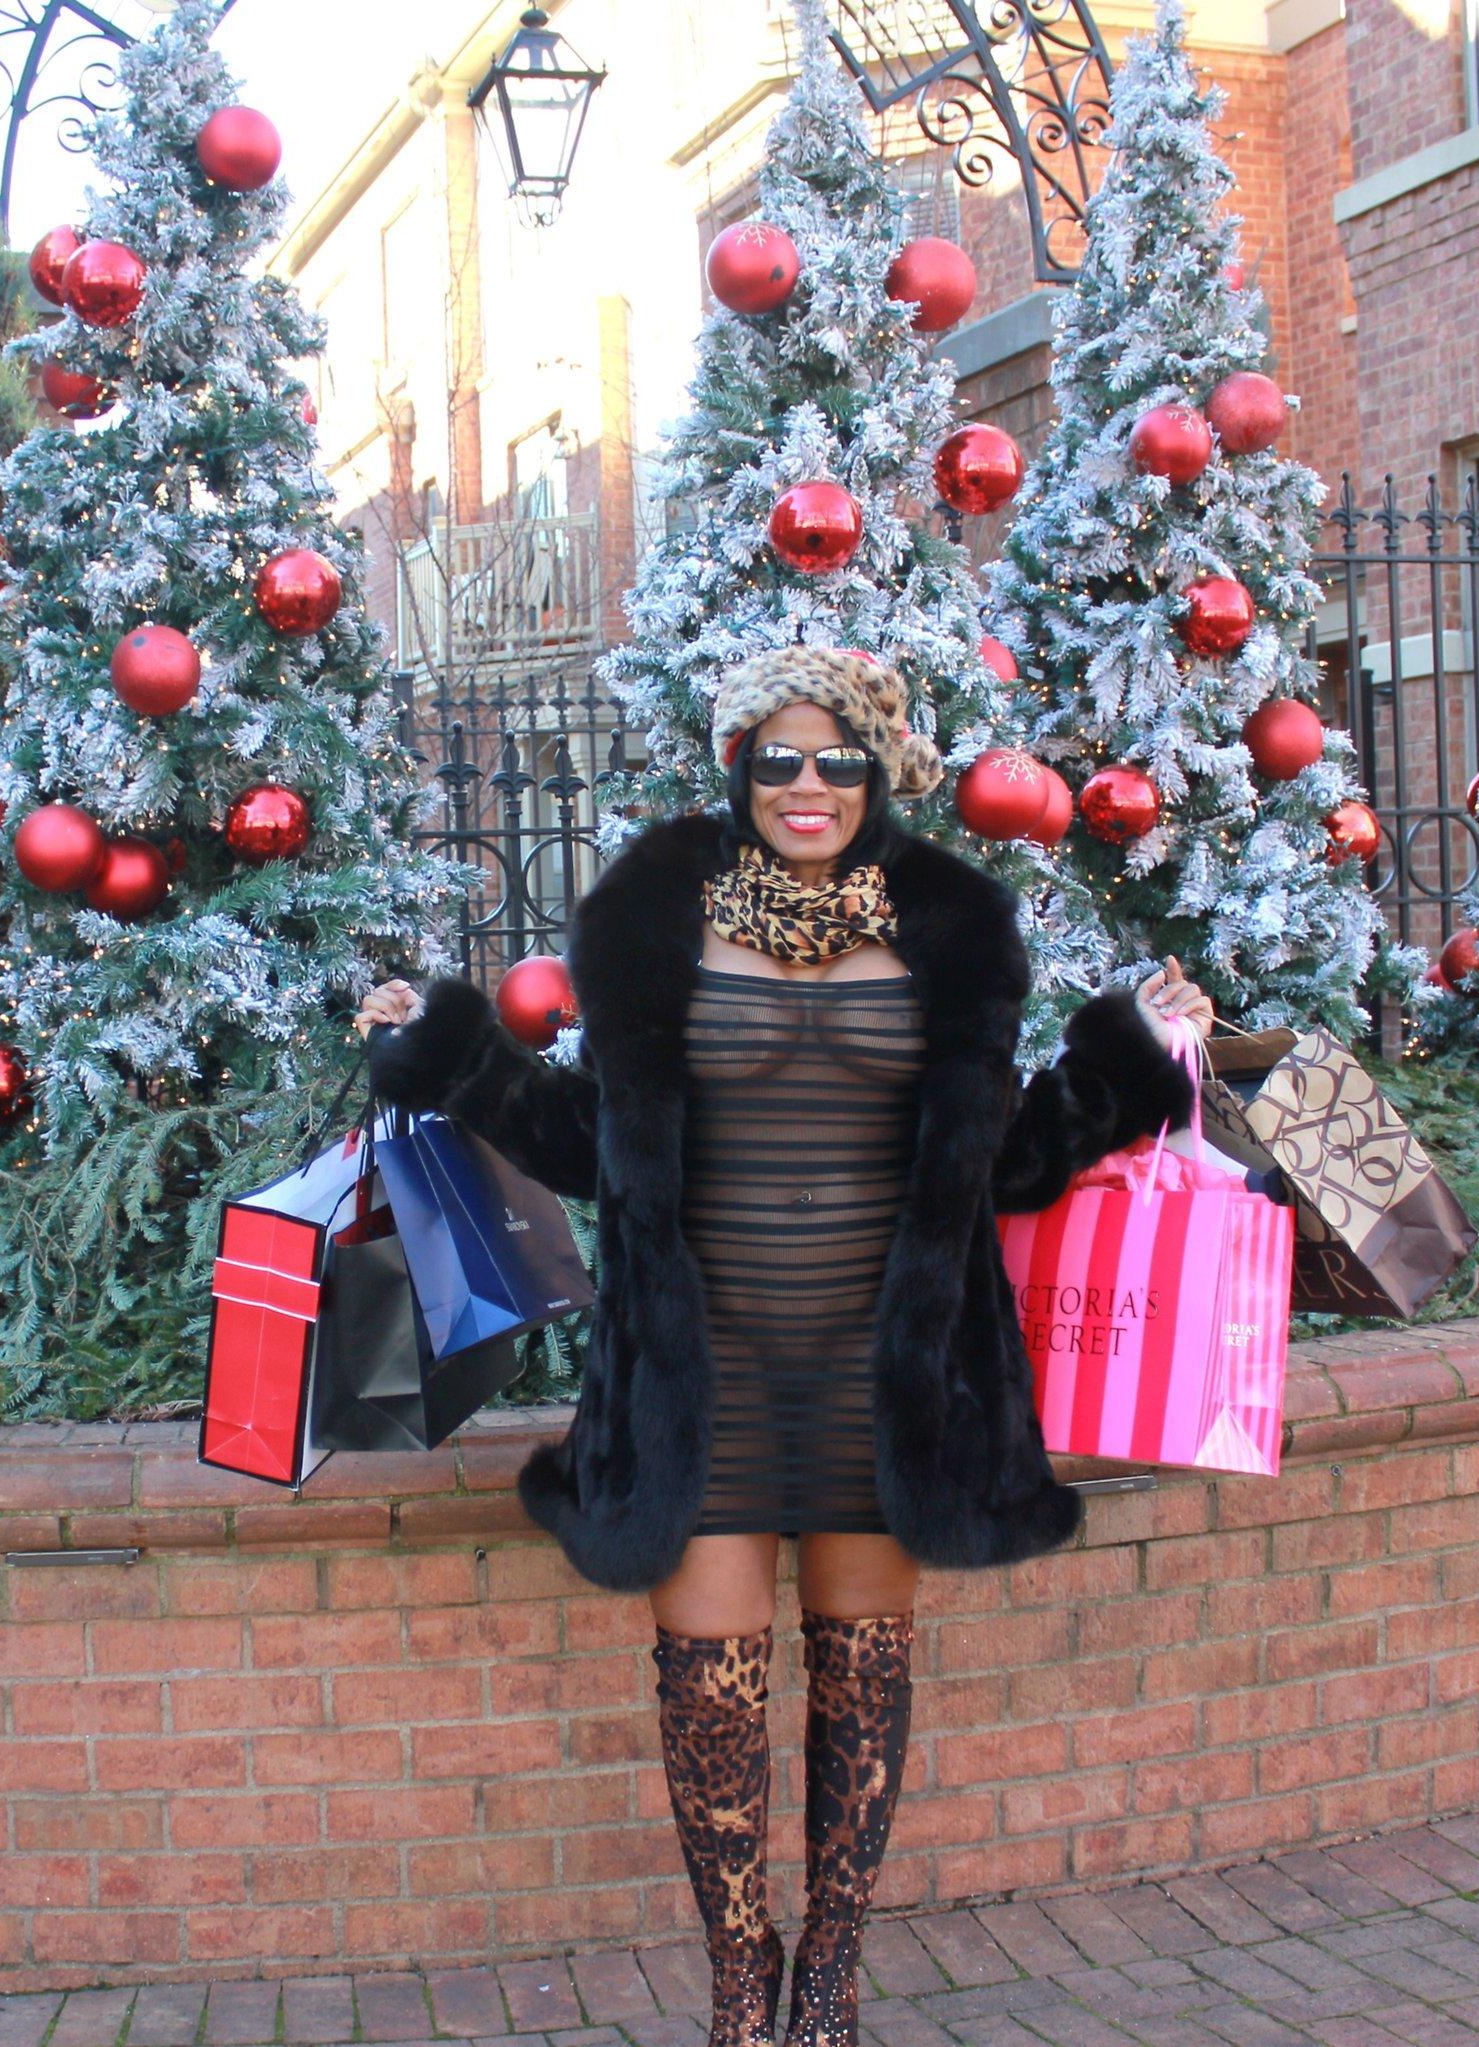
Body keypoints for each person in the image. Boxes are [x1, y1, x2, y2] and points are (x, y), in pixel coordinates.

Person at [354, 647, 1206, 2047]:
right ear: (739, 766)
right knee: (708, 1688)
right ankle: (739, 1975)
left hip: (890, 1372)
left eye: (839, 758)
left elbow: (1003, 1161)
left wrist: (1133, 1052)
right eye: (780, 758)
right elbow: (590, 1140)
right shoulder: (655, 920)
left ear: (879, 772)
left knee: (861, 1677)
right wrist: (445, 1050)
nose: (809, 786)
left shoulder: (950, 929)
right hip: (701, 1373)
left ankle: (833, 1970)